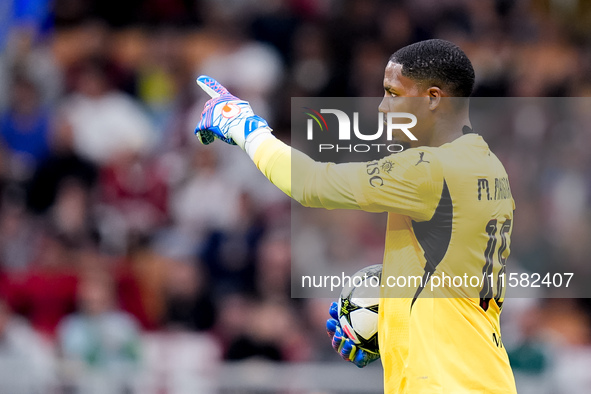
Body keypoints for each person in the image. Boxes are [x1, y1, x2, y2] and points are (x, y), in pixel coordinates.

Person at [194, 39, 517, 393]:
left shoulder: (430, 169)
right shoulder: (488, 165)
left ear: (433, 99)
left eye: (393, 93)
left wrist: (243, 126)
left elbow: (311, 184)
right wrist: (390, 319)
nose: (382, 106)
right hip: (482, 376)